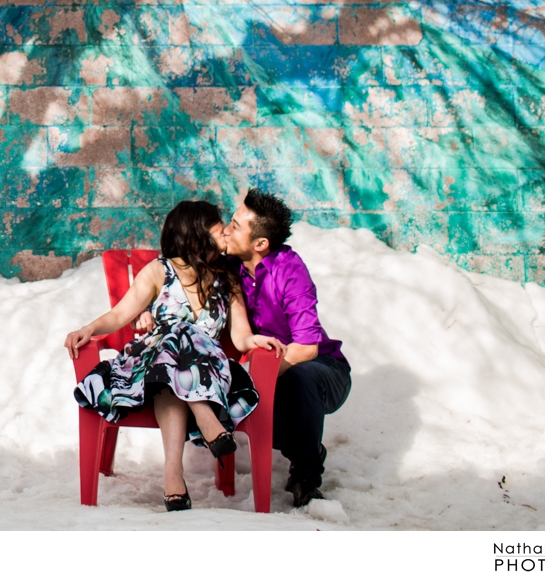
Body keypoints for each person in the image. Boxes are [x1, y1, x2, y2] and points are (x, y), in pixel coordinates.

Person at [64, 200, 284, 511]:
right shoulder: (159, 271)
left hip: (208, 371)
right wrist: (89, 327)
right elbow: (119, 315)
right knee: (175, 342)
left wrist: (256, 340)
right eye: (219, 227)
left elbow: (240, 336)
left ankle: (173, 475)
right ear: (197, 233)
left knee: (182, 343)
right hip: (151, 367)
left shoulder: (227, 280)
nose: (225, 232)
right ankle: (202, 427)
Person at [214, 188, 351, 508]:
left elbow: (305, 348)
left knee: (297, 379)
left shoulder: (289, 269)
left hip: (322, 370)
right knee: (247, 409)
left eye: (235, 226)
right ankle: (307, 446)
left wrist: (258, 381)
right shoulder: (230, 267)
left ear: (260, 243)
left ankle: (306, 478)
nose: (226, 230)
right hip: (268, 368)